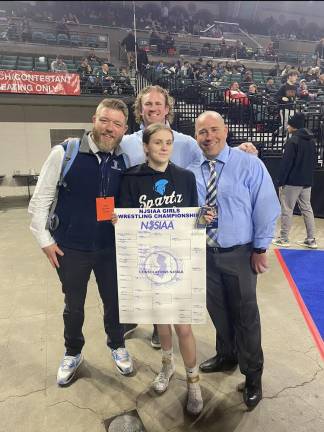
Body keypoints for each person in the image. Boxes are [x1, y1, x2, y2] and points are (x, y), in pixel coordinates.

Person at [120, 85, 258, 348]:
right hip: (144, 227)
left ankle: (188, 338)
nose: (153, 108)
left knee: (175, 284)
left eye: (158, 104)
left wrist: (240, 151)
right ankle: (156, 325)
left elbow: (214, 155)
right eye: (148, 104)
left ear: (167, 108)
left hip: (181, 230)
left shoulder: (187, 142)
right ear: (140, 109)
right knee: (150, 280)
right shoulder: (127, 143)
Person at [28, 99, 134, 386]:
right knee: (73, 304)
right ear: (94, 119)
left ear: (124, 129)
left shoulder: (122, 161)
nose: (109, 128)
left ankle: (116, 344)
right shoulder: (65, 152)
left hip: (108, 249)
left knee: (114, 301)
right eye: (104, 120)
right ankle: (73, 351)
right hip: (70, 247)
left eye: (116, 124)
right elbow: (40, 201)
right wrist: (45, 241)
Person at [188, 111, 280, 410]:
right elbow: (194, 213)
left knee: (246, 317)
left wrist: (260, 248)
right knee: (218, 311)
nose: (209, 137)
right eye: (203, 132)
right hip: (205, 254)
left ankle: (253, 375)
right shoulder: (191, 170)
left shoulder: (249, 163)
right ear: (196, 135)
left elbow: (265, 206)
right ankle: (227, 355)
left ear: (226, 131)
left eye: (214, 130)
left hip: (240, 254)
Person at [115, 123, 203, 415]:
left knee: (183, 326)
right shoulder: (130, 179)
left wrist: (205, 219)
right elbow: (125, 221)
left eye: (168, 142)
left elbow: (193, 222)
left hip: (180, 260)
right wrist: (118, 222)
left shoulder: (186, 178)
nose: (164, 147)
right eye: (158, 142)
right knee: (162, 322)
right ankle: (167, 366)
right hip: (149, 262)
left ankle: (193, 380)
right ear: (145, 146)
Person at [272, 112, 317, 249]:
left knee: (287, 209)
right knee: (307, 209)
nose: (287, 126)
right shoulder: (311, 140)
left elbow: (286, 164)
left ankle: (284, 238)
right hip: (307, 181)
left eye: (289, 124)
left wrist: (280, 181)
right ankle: (311, 240)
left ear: (294, 126)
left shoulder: (292, 141)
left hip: (292, 182)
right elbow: (313, 161)